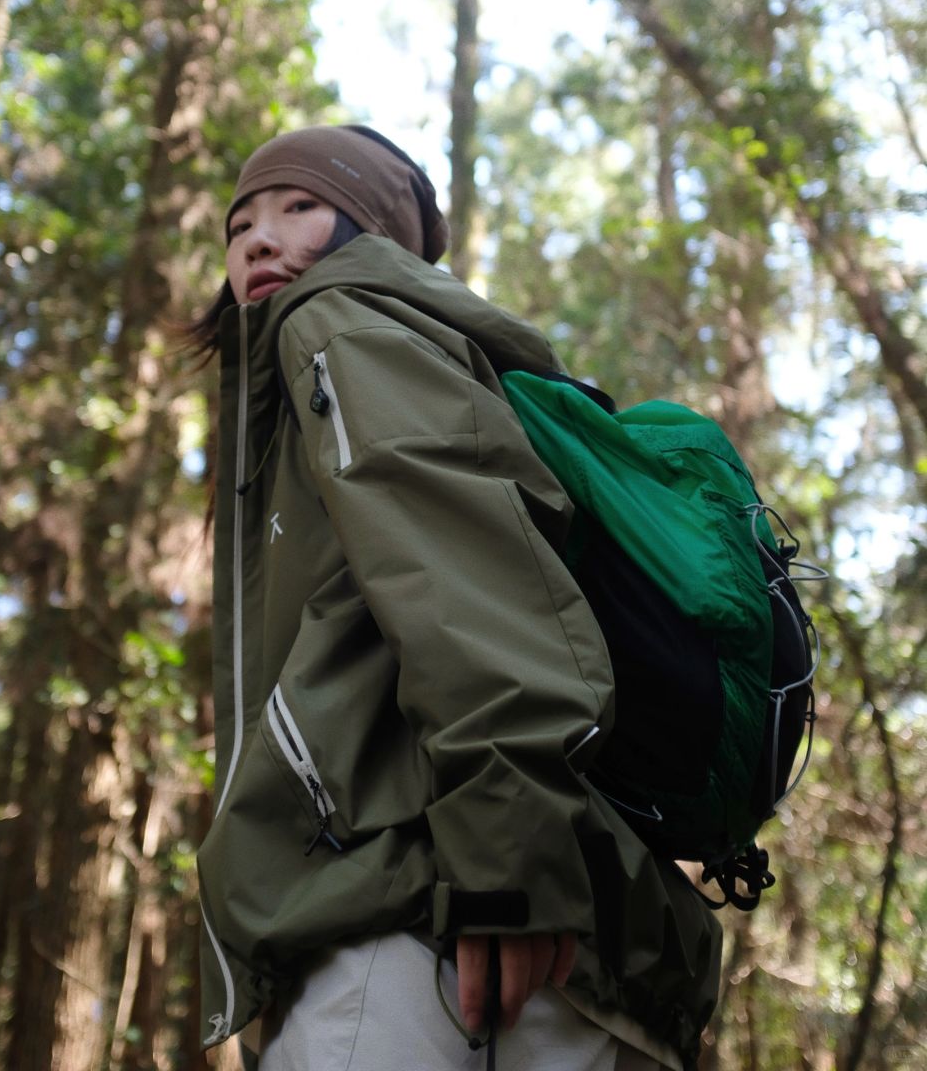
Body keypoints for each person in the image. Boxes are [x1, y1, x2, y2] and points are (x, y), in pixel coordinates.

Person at [193, 125, 721, 1071]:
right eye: (240, 225)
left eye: (299, 207)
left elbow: (461, 564)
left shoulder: (341, 320)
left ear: (375, 231)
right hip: (562, 942)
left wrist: (509, 861)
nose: (259, 241)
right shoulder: (414, 351)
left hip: (425, 920)